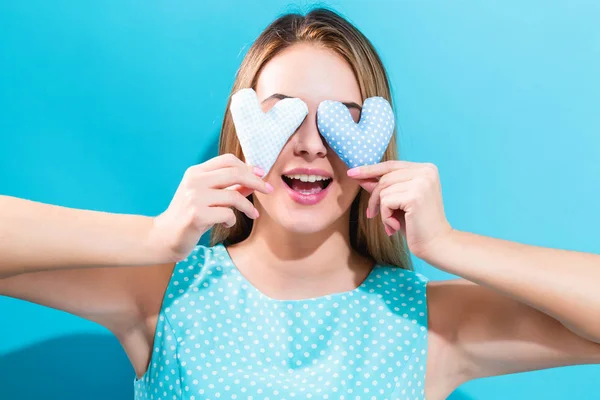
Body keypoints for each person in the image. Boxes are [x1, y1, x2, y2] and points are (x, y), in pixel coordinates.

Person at [1, 7, 599, 400]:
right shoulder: (164, 296)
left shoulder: (428, 325)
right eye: (284, 114)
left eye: (344, 119)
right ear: (243, 130)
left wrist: (449, 245)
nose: (311, 144)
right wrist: (150, 239)